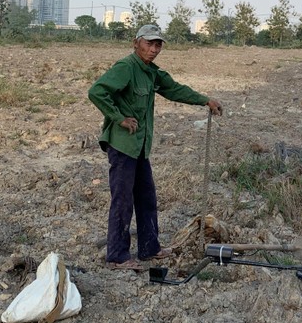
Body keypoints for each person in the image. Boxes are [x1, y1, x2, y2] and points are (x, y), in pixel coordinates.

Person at [88, 24, 222, 271]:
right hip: (123, 146)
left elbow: (174, 89)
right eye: (149, 43)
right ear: (135, 43)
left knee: (147, 197)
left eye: (157, 44)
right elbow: (97, 91)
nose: (153, 49)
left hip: (140, 147)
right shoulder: (126, 68)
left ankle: (149, 248)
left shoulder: (151, 72)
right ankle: (117, 256)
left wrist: (205, 100)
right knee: (123, 201)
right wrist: (119, 118)